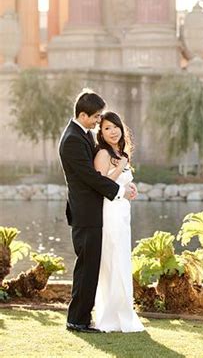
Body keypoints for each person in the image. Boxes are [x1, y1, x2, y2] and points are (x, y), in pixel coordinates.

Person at [58, 89, 137, 333]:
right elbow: (90, 177)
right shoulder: (72, 139)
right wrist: (119, 191)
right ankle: (77, 320)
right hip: (86, 213)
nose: (98, 121)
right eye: (95, 117)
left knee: (90, 266)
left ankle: (81, 317)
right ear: (82, 115)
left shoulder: (82, 135)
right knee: (86, 268)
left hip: (92, 212)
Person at [93, 111, 145, 332]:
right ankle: (111, 317)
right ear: (101, 133)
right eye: (107, 128)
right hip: (110, 212)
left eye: (115, 127)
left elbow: (122, 183)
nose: (113, 131)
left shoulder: (119, 152)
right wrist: (121, 165)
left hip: (122, 212)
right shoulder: (104, 153)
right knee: (113, 260)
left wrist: (130, 189)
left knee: (122, 260)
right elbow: (101, 183)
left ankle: (124, 312)